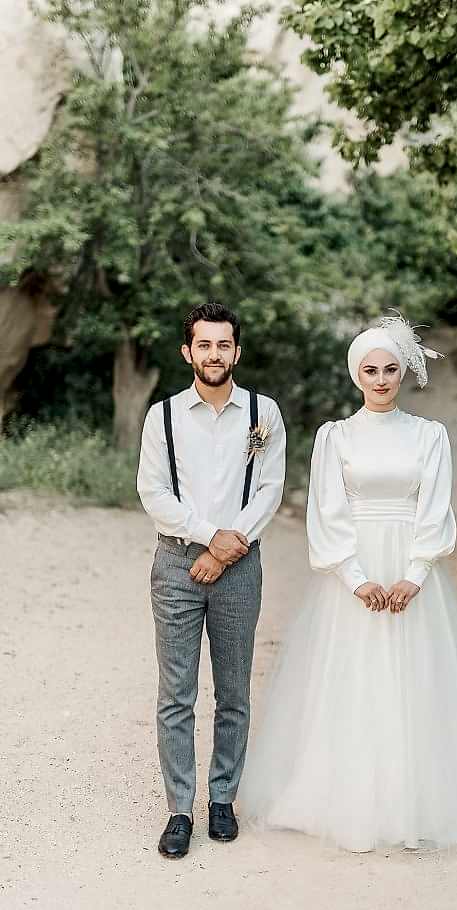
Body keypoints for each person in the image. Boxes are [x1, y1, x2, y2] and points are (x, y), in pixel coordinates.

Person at [238, 314, 457, 853]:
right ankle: (349, 799)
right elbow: (325, 512)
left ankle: (426, 802)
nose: (380, 379)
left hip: (409, 570)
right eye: (370, 369)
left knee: (419, 683)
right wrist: (355, 579)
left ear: (403, 373)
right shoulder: (335, 437)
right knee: (354, 681)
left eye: (390, 369)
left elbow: (436, 507)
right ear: (356, 374)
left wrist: (414, 575)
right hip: (354, 571)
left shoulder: (429, 435)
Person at [137, 302, 286, 858]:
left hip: (241, 564)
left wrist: (227, 549)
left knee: (233, 691)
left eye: (224, 345)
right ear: (188, 352)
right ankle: (180, 808)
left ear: (237, 352)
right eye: (204, 344)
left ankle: (222, 798)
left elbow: (271, 488)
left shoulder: (263, 413)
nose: (214, 354)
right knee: (175, 694)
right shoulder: (164, 417)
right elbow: (153, 493)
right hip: (177, 564)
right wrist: (208, 538)